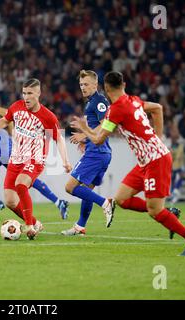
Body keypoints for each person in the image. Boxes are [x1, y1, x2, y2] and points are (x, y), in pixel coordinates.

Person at [71, 71, 185, 256]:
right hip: (145, 161)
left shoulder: (116, 110)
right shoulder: (134, 100)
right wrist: (158, 137)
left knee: (154, 210)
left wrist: (84, 128)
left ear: (107, 89)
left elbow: (98, 140)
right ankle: (170, 214)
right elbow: (157, 108)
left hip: (156, 161)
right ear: (124, 85)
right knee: (121, 199)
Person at [0, 87, 70, 218]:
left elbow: (6, 112)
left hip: (2, 150)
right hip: (2, 150)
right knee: (28, 179)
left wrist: (13, 130)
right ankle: (58, 202)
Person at [0, 79, 72, 239]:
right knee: (10, 202)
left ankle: (30, 227)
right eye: (24, 93)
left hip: (35, 159)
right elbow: (6, 120)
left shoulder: (48, 117)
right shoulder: (16, 107)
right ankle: (36, 223)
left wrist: (65, 161)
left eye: (30, 93)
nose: (26, 97)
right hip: (15, 159)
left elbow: (59, 138)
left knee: (20, 184)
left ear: (38, 94)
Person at [63, 70, 115, 236]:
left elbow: (106, 125)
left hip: (97, 153)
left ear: (95, 84)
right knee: (87, 190)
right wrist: (86, 140)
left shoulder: (99, 101)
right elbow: (97, 129)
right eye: (81, 85)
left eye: (86, 84)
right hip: (100, 152)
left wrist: (83, 135)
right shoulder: (91, 102)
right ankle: (80, 227)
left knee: (70, 187)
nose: (83, 87)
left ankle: (105, 203)